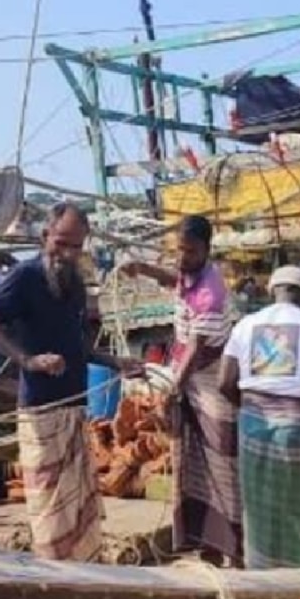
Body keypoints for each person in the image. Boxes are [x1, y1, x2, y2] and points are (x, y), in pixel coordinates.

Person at [0, 201, 144, 562]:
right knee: (49, 514)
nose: (67, 253)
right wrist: (28, 360)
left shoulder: (75, 284)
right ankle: (54, 580)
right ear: (44, 236)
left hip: (76, 408)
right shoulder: (24, 276)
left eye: (76, 246)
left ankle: (86, 578)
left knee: (80, 512)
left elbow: (77, 345)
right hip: (40, 411)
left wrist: (116, 361)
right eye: (61, 243)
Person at [120, 215, 242, 567]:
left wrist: (171, 389)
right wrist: (142, 267)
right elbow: (174, 279)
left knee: (221, 460)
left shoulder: (210, 289)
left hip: (209, 381)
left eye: (190, 251)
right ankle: (201, 541)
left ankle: (232, 545)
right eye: (180, 250)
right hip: (188, 378)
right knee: (188, 461)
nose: (183, 257)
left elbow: (195, 348)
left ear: (207, 250)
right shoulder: (190, 275)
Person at [218, 265, 300, 569]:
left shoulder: (245, 325)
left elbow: (225, 382)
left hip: (253, 428)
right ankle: (299, 578)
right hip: (299, 429)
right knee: (299, 510)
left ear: (272, 292)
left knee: (259, 507)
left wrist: (249, 409)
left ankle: (261, 574)